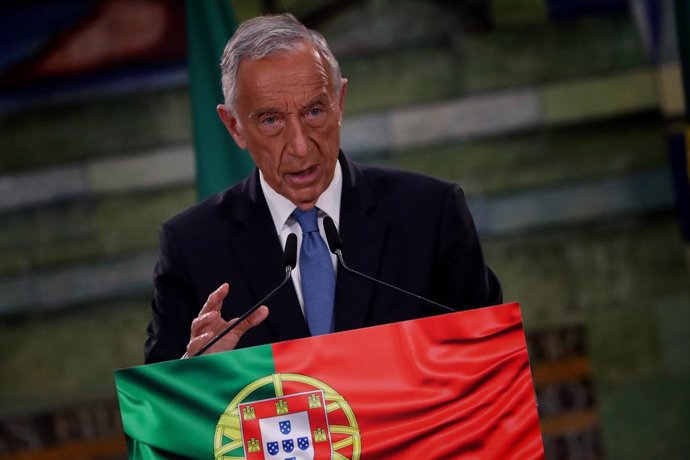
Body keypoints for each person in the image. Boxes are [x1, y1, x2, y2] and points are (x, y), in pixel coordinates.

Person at [144, 13, 502, 364]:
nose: (300, 146)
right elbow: (156, 418)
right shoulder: (191, 248)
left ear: (339, 102)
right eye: (271, 120)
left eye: (314, 111)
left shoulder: (430, 214)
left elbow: (493, 367)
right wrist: (194, 373)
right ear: (234, 126)